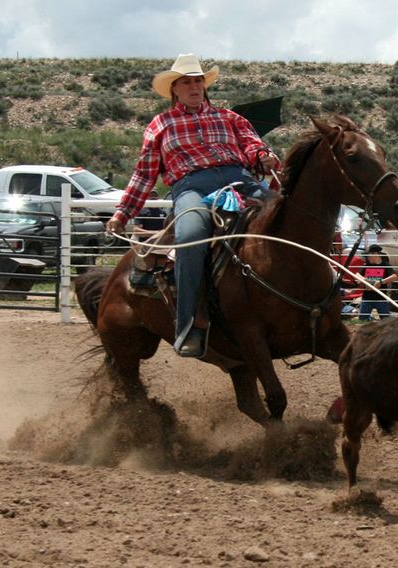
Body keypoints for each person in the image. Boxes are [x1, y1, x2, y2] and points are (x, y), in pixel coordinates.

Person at [105, 53, 280, 358]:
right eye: (186, 82)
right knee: (189, 237)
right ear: (175, 89)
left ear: (204, 85)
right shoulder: (161, 125)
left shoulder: (230, 117)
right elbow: (145, 173)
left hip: (240, 178)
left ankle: (313, 300)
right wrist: (123, 213)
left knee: (286, 216)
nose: (193, 86)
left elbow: (253, 144)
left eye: (197, 80)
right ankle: (190, 325)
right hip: (191, 186)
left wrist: (262, 156)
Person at [358, 244, 397, 320]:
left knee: (386, 320)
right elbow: (357, 274)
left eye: (369, 256)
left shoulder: (386, 265)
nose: (367, 258)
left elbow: (394, 277)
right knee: (362, 319)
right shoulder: (367, 265)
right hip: (367, 298)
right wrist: (363, 280)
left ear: (376, 254)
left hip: (381, 298)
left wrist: (381, 282)